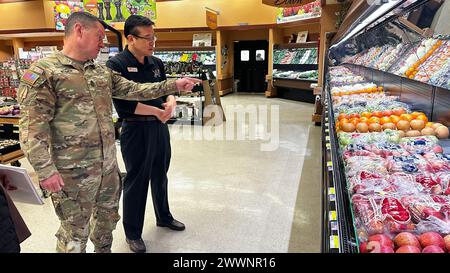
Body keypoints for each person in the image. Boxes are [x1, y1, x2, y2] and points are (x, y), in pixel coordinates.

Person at [17, 12, 199, 253]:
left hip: (107, 169)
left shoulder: (100, 71)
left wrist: (173, 85)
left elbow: (134, 89)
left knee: (106, 225)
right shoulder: (45, 72)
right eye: (99, 36)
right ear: (79, 30)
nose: (104, 43)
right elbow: (32, 128)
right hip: (73, 174)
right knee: (74, 233)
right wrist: (45, 170)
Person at [106, 15, 185, 254]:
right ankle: (133, 233)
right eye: (148, 38)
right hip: (135, 129)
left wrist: (170, 103)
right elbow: (124, 106)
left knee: (160, 174)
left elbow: (166, 88)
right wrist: (157, 111)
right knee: (137, 180)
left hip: (159, 128)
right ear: (130, 38)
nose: (153, 42)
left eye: (154, 37)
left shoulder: (156, 62)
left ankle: (164, 216)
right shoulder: (116, 65)